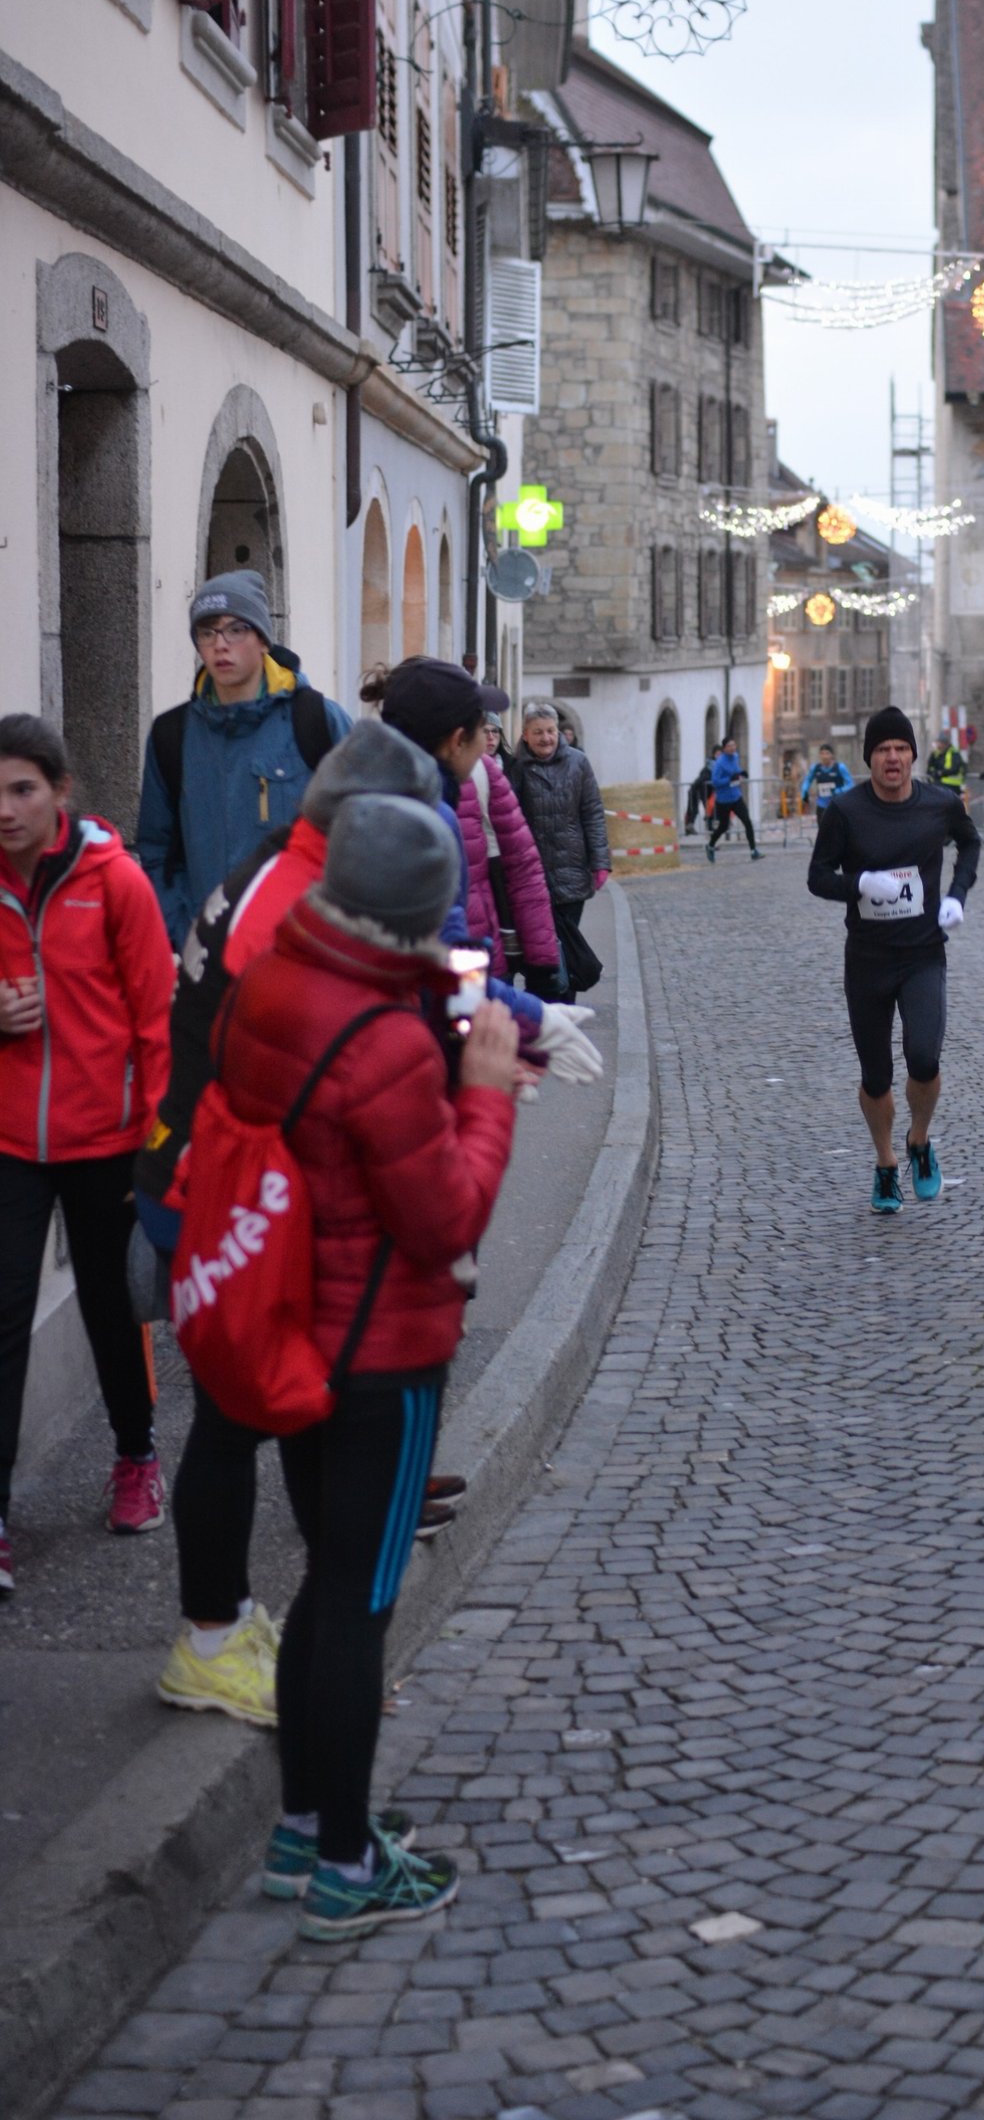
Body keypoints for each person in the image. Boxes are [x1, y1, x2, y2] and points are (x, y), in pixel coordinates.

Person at [215, 793, 520, 1938]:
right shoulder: (383, 1040)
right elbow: (445, 1219)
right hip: (381, 1348)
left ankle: (303, 1827)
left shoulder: (275, 981)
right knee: (359, 1601)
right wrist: (485, 1096)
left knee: (324, 1585)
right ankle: (347, 1864)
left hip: (297, 1324)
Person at [139, 721, 446, 1725]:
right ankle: (213, 1640)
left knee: (260, 1409)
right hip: (216, 1182)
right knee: (232, 1417)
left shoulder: (296, 863)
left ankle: (259, 1630)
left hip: (219, 1172)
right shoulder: (290, 895)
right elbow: (306, 1058)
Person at [0, 714, 174, 1591]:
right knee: (4, 1317)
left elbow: (157, 1020)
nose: (5, 809)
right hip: (8, 1142)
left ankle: (136, 1458)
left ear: (60, 792)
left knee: (112, 1307)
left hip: (107, 1139)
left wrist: (159, 1147)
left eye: (22, 789)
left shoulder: (115, 882)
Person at [362, 662, 601, 1080]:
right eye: (481, 728)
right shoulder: (425, 817)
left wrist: (538, 973)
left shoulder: (369, 789)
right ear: (457, 740)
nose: (489, 741)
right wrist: (528, 1019)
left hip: (409, 1007)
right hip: (406, 1025)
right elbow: (450, 953)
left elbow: (522, 867)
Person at [808, 706, 981, 1212]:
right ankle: (885, 1163)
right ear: (870, 758)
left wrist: (957, 895)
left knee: (924, 1060)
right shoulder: (846, 811)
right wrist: (859, 883)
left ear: (912, 756)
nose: (892, 758)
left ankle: (919, 1140)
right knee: (876, 1074)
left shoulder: (940, 804)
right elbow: (817, 877)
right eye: (883, 749)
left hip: (923, 954)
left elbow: (970, 843)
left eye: (901, 749)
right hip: (867, 959)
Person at [137, 570, 353, 950]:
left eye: (236, 629)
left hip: (299, 950)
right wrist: (186, 931)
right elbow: (157, 850)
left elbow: (359, 834)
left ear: (263, 640)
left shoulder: (317, 720)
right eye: (207, 632)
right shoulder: (172, 735)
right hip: (209, 955)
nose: (220, 645)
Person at [504, 700, 612, 993]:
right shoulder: (515, 767)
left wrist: (600, 861)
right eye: (538, 732)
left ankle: (565, 1002)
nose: (546, 738)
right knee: (538, 949)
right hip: (531, 876)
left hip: (570, 871)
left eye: (550, 731)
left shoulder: (578, 762)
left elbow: (592, 813)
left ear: (559, 732)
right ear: (525, 735)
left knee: (568, 948)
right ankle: (541, 1005)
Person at [459, 735, 560, 990]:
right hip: (416, 962)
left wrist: (541, 958)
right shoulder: (386, 773)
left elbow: (522, 865)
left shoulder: (481, 769)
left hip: (482, 951)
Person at [706, 737, 761, 862]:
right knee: (723, 826)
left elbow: (736, 770)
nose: (732, 748)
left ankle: (753, 851)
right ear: (724, 748)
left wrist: (742, 773)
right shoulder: (720, 763)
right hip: (723, 800)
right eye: (729, 746)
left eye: (734, 745)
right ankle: (710, 845)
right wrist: (729, 779)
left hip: (736, 796)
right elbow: (715, 781)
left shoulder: (735, 756)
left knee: (747, 821)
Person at [801, 746, 853, 813]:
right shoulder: (815, 768)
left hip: (837, 804)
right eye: (822, 753)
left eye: (827, 753)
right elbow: (807, 781)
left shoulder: (840, 767)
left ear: (832, 755)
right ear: (819, 755)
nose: (825, 756)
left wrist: (839, 790)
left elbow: (850, 784)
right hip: (821, 805)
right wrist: (804, 792)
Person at [683, 757, 714, 839]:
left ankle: (690, 826)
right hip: (696, 791)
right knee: (694, 810)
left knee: (704, 810)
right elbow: (702, 779)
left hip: (700, 791)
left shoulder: (708, 771)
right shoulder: (706, 771)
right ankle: (689, 827)